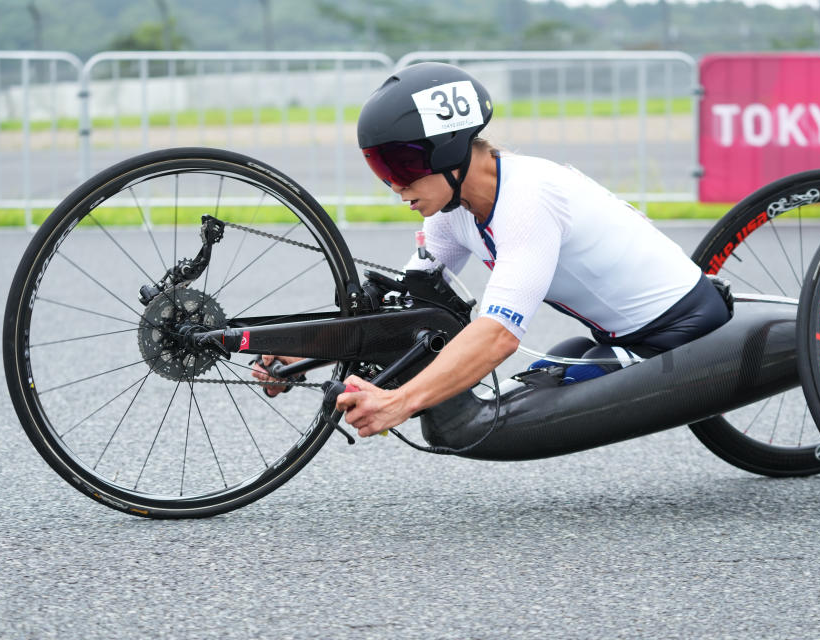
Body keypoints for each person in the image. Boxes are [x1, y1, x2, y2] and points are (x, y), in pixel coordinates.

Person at [255, 62, 730, 438]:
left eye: (401, 166)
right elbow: (403, 304)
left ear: (447, 150)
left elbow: (499, 335)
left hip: (681, 331)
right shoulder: (453, 210)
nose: (394, 185)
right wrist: (299, 356)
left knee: (537, 396)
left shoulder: (526, 200)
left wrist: (399, 402)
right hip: (614, 336)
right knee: (544, 375)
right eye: (381, 168)